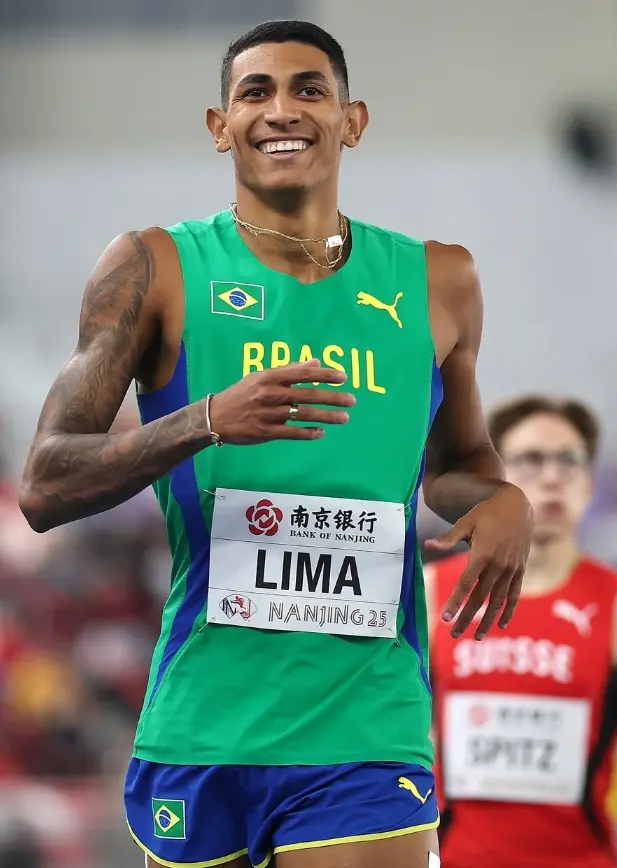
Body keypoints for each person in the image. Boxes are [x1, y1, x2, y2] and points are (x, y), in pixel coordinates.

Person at [19, 19, 533, 868]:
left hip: (366, 719)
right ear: (220, 126)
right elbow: (44, 484)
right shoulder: (154, 267)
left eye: (308, 89)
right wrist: (203, 419)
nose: (281, 109)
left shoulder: (439, 281)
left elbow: (457, 468)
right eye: (254, 92)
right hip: (204, 719)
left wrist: (503, 499)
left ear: (352, 120)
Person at [427, 395, 617, 868]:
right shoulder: (433, 592)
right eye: (530, 459)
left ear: (590, 483)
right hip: (456, 856)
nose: (551, 477)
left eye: (570, 460)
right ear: (493, 482)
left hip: (582, 858)